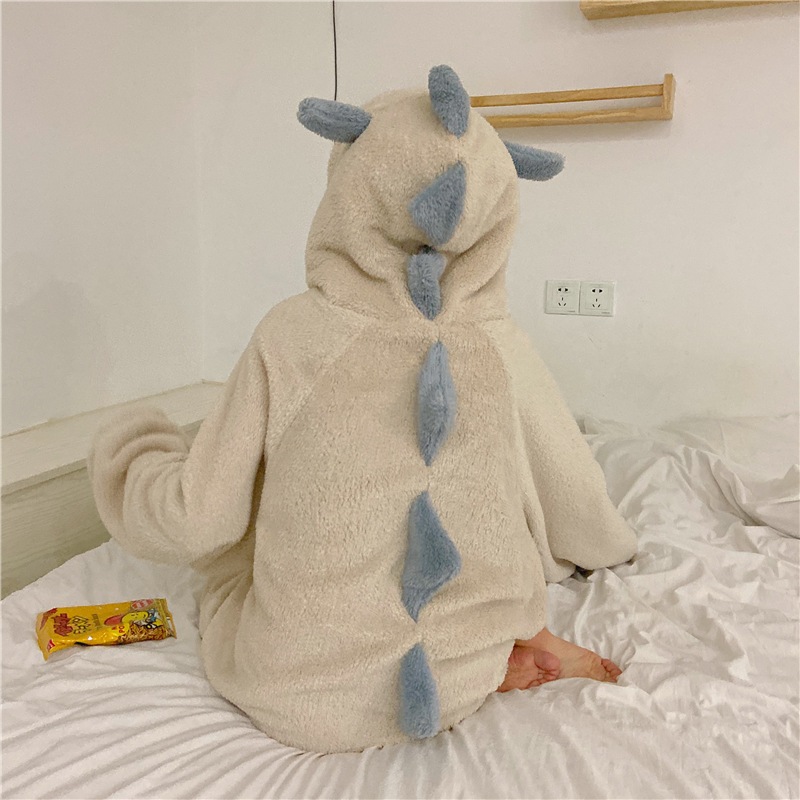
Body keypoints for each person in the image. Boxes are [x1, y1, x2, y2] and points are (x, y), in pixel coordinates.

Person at [88, 65, 636, 754]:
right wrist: (609, 545)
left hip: (304, 697)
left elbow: (199, 518)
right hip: (462, 671)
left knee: (245, 551)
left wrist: (133, 450)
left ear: (352, 185)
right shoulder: (499, 342)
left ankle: (405, 643)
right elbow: (563, 474)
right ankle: (510, 640)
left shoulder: (292, 335)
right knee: (488, 518)